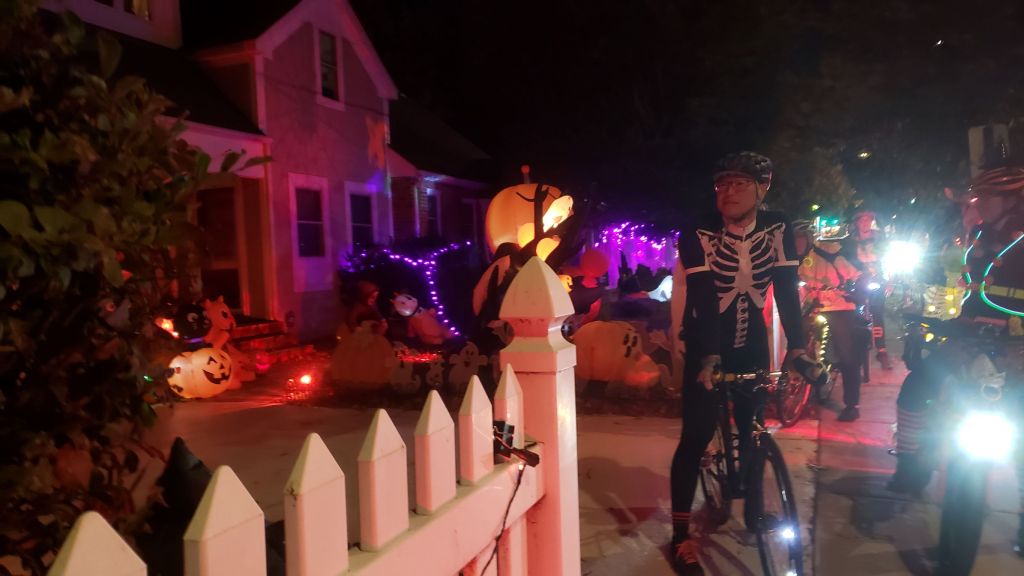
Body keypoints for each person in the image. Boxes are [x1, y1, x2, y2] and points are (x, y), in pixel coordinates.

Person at [670, 152, 808, 574]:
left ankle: (751, 511)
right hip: (706, 342)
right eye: (722, 184)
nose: (728, 192)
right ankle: (679, 536)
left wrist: (798, 348)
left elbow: (786, 289)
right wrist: (710, 355)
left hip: (752, 344)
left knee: (753, 428)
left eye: (739, 184)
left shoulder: (778, 227)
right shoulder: (697, 230)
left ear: (762, 189)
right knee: (696, 435)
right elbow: (703, 298)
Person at [798, 226, 866, 420]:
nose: (797, 244)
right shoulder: (794, 258)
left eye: (800, 239)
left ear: (809, 238)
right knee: (797, 341)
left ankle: (852, 405)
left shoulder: (828, 252)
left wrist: (853, 292)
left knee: (847, 355)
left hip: (840, 305)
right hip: (814, 304)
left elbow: (858, 276)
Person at [844, 207, 894, 371]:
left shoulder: (880, 240)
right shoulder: (850, 242)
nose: (865, 223)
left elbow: (888, 261)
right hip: (858, 280)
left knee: (878, 312)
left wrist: (890, 280)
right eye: (862, 220)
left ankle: (882, 350)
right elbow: (844, 261)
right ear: (857, 223)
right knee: (854, 313)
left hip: (878, 280)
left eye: (868, 219)